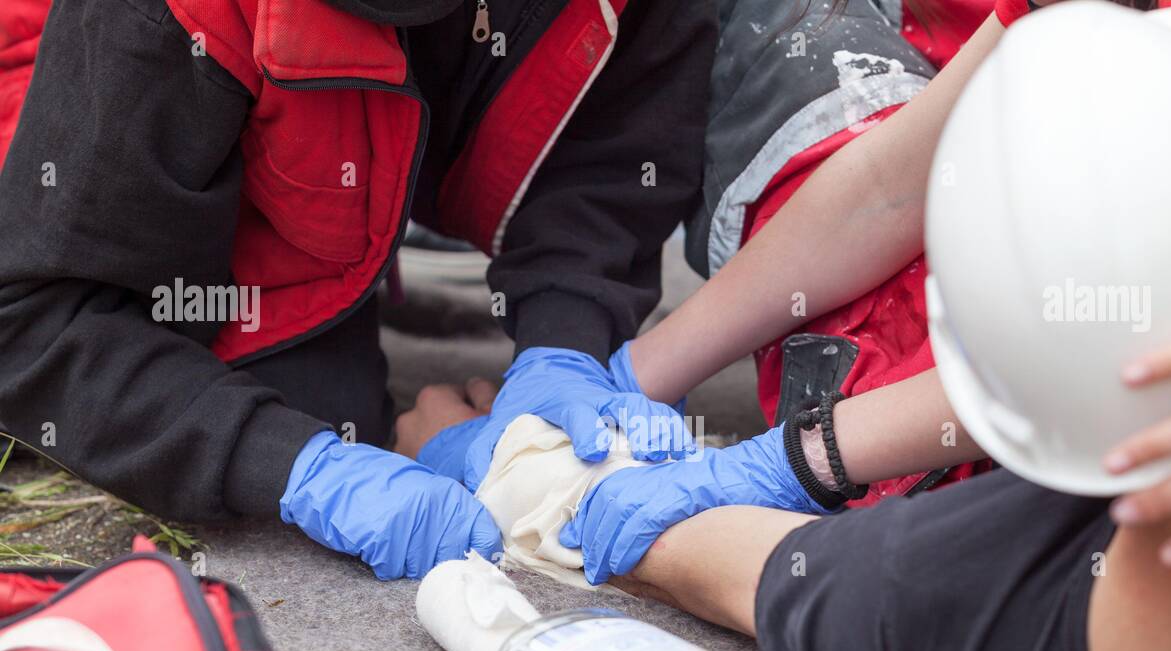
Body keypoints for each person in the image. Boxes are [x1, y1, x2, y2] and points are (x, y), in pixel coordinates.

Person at [416, 0, 1171, 651]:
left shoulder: (1139, 615)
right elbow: (893, 187)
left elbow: (804, 578)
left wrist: (549, 481)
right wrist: (635, 372)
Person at [0, 0, 712, 579]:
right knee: (321, 411)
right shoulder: (154, 23)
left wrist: (566, 340)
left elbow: (613, 153)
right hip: (85, 112)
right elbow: (38, 321)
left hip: (341, 120)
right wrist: (299, 466)